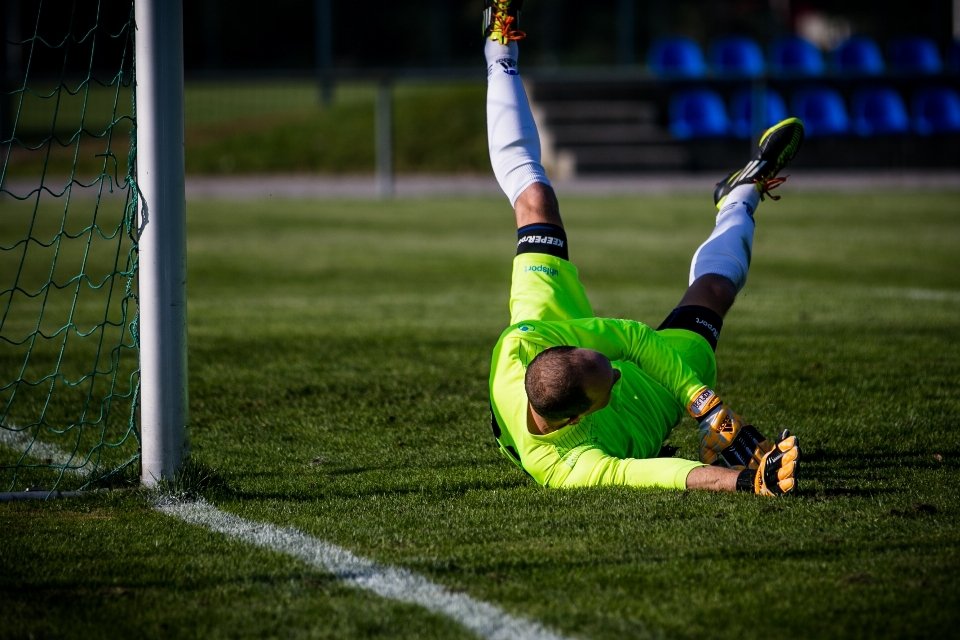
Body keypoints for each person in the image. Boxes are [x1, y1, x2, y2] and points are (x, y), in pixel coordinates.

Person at [483, 0, 802, 496]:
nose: (618, 368)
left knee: (536, 201)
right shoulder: (567, 467)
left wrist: (707, 406)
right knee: (713, 291)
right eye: (607, 375)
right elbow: (657, 474)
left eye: (600, 360)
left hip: (548, 326)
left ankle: (497, 54)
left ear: (562, 348)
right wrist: (744, 480)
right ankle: (741, 195)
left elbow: (630, 340)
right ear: (581, 417)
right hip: (638, 411)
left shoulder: (519, 348)